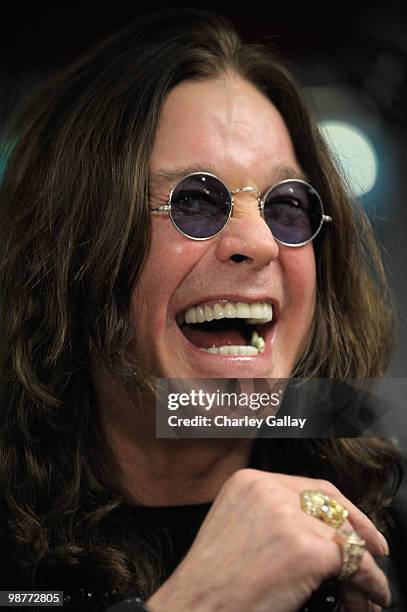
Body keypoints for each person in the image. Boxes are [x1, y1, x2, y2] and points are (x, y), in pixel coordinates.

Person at [0, 8, 406, 612]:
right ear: (71, 249)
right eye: (194, 200)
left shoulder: (384, 545)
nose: (261, 242)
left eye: (287, 207)